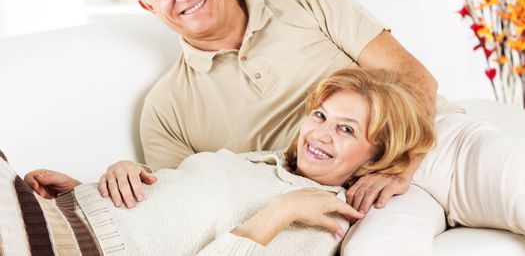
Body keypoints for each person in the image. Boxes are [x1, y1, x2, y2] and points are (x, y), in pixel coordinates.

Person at [24, 0, 525, 255]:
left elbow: (415, 78)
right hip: (350, 209)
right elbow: (190, 209)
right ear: (148, 7)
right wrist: (104, 179)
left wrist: (403, 167)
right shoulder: (166, 107)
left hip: (435, 146)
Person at [11, 68, 437, 255]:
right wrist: (91, 188)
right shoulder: (267, 162)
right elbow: (171, 207)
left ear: (374, 159)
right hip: (52, 215)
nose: (322, 133)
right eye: (320, 116)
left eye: (347, 130)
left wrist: (281, 212)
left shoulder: (319, 220)